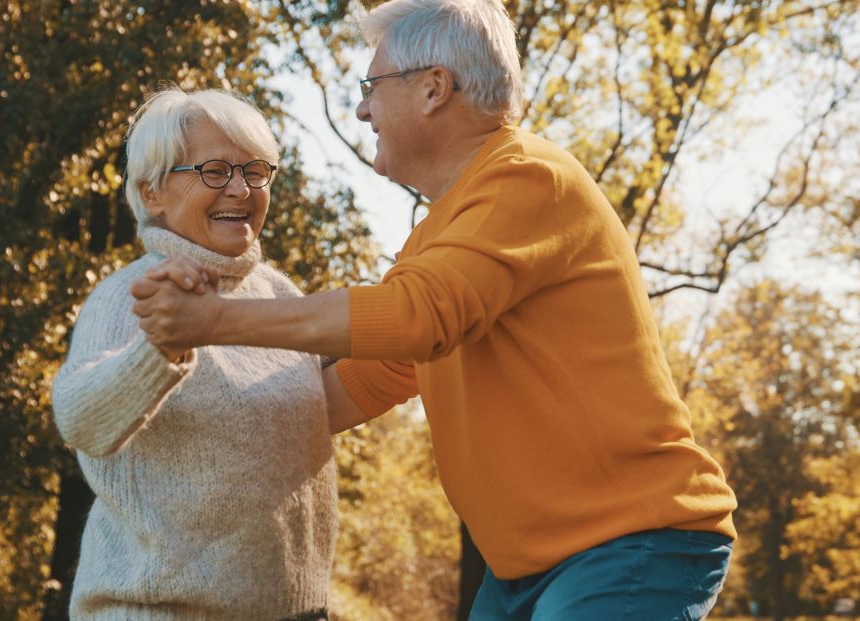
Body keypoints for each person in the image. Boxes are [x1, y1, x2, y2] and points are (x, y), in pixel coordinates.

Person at [131, 1, 738, 619]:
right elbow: (372, 377)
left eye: (372, 86)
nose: (363, 107)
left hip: (633, 537)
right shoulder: (442, 232)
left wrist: (216, 320)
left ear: (433, 88)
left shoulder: (528, 179)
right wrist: (181, 416)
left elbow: (418, 316)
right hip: (525, 567)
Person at [52, 87, 335, 621]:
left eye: (256, 170)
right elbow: (79, 420)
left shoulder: (280, 296)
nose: (241, 188)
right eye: (214, 171)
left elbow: (310, 423)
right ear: (152, 190)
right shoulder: (131, 294)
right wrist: (162, 349)